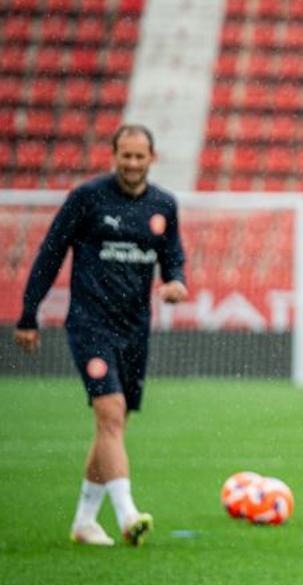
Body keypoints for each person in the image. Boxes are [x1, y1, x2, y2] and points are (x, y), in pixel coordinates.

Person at [14, 124, 188, 547]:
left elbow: (173, 259)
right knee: (110, 413)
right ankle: (129, 516)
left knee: (113, 425)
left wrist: (175, 283)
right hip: (90, 323)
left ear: (152, 157)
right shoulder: (87, 198)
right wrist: (28, 315)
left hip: (135, 328)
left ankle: (84, 521)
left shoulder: (164, 204)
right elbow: (50, 253)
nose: (131, 164)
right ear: (113, 155)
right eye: (124, 156)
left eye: (138, 156)